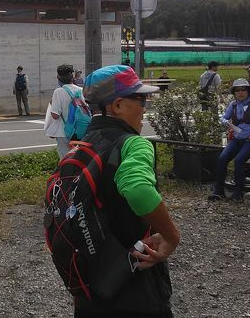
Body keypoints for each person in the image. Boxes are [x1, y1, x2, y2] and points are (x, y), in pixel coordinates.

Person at [73, 64, 179, 317]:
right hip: (135, 280)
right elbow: (138, 190)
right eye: (141, 99)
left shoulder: (79, 146)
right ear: (117, 105)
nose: (145, 107)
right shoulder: (133, 144)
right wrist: (172, 236)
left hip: (89, 283)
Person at [44, 64, 81, 158]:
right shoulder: (81, 90)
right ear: (72, 77)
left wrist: (52, 104)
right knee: (78, 159)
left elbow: (55, 115)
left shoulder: (59, 91)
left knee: (66, 161)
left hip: (64, 132)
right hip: (80, 131)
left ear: (58, 77)